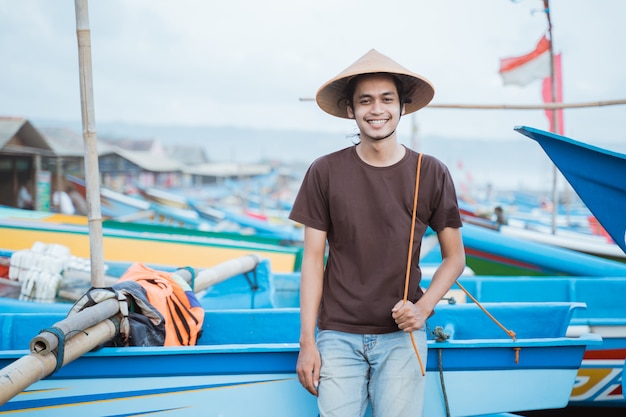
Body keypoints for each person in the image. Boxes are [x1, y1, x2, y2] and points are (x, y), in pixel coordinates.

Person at [288, 49, 466, 417]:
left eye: (387, 99)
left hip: (402, 337)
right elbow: (312, 262)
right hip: (337, 334)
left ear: (402, 106)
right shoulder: (324, 171)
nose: (376, 109)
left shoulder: (429, 172)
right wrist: (308, 342)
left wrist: (423, 308)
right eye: (364, 101)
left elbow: (455, 257)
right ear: (350, 110)